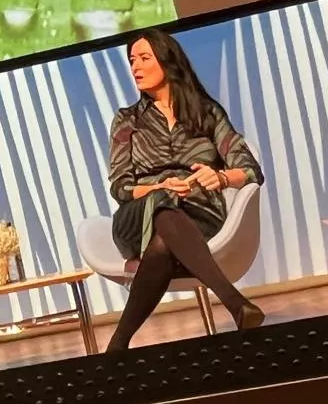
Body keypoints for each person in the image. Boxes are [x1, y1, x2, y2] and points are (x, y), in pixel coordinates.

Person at [104, 30, 266, 350]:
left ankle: (118, 344)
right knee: (163, 201)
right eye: (132, 60)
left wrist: (219, 178)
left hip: (198, 216)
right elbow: (120, 187)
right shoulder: (127, 121)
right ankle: (234, 302)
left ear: (169, 61)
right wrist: (159, 185)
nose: (135, 66)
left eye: (144, 58)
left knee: (163, 246)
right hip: (137, 219)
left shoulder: (207, 113)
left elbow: (250, 170)